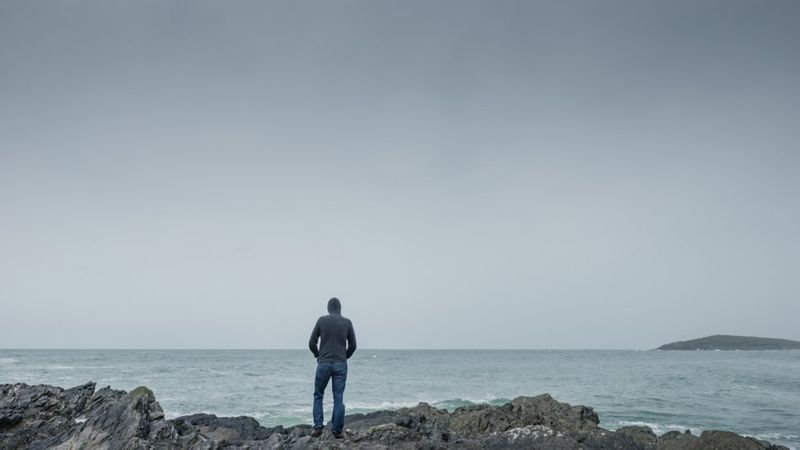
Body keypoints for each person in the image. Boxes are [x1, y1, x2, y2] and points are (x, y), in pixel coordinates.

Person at [308, 297, 356, 438]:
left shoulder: (322, 320)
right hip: (341, 364)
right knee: (338, 398)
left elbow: (312, 343)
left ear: (328, 309)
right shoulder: (347, 322)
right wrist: (344, 357)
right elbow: (353, 345)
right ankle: (337, 430)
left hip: (324, 363)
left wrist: (318, 355)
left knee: (318, 395)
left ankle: (318, 426)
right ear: (340, 309)